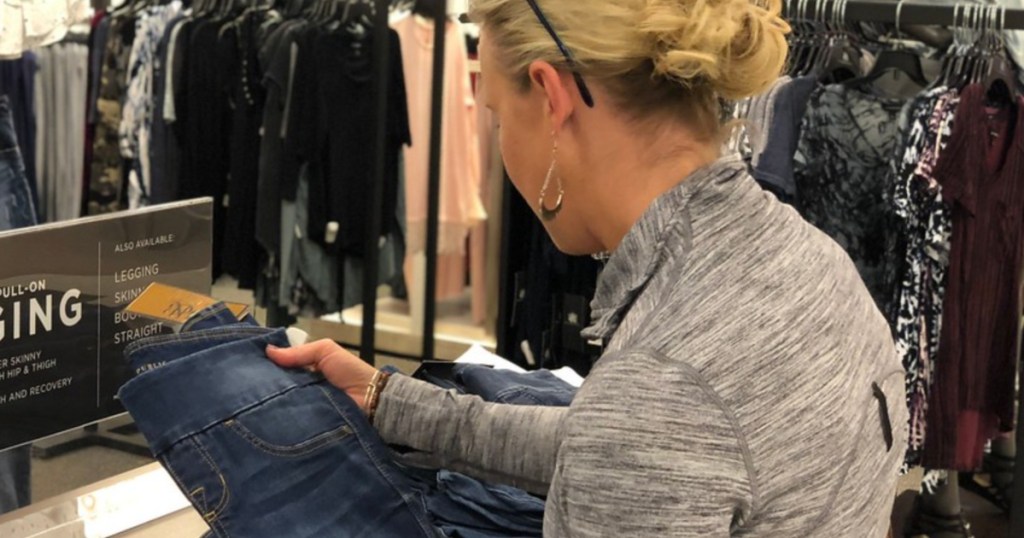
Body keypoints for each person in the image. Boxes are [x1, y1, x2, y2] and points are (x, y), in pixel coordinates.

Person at [268, 0, 909, 535]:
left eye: (494, 112)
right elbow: (626, 452)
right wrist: (388, 402)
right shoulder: (813, 261)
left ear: (551, 97)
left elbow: (641, 434)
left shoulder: (665, 376)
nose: (497, 138)